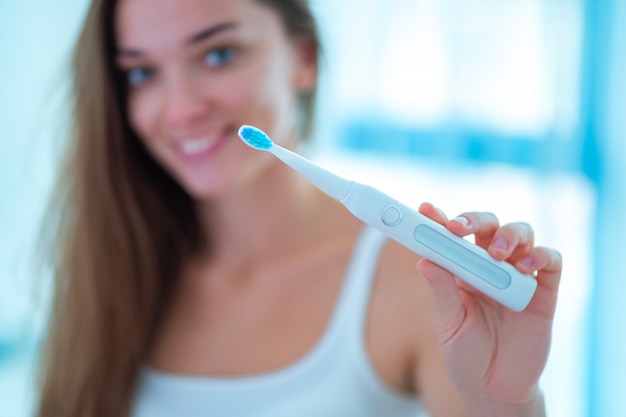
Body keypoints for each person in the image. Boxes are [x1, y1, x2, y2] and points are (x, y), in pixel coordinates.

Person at [36, 0, 562, 416]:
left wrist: (506, 406)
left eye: (218, 54)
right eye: (141, 73)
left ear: (303, 60)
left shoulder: (426, 284)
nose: (179, 109)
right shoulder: (112, 269)